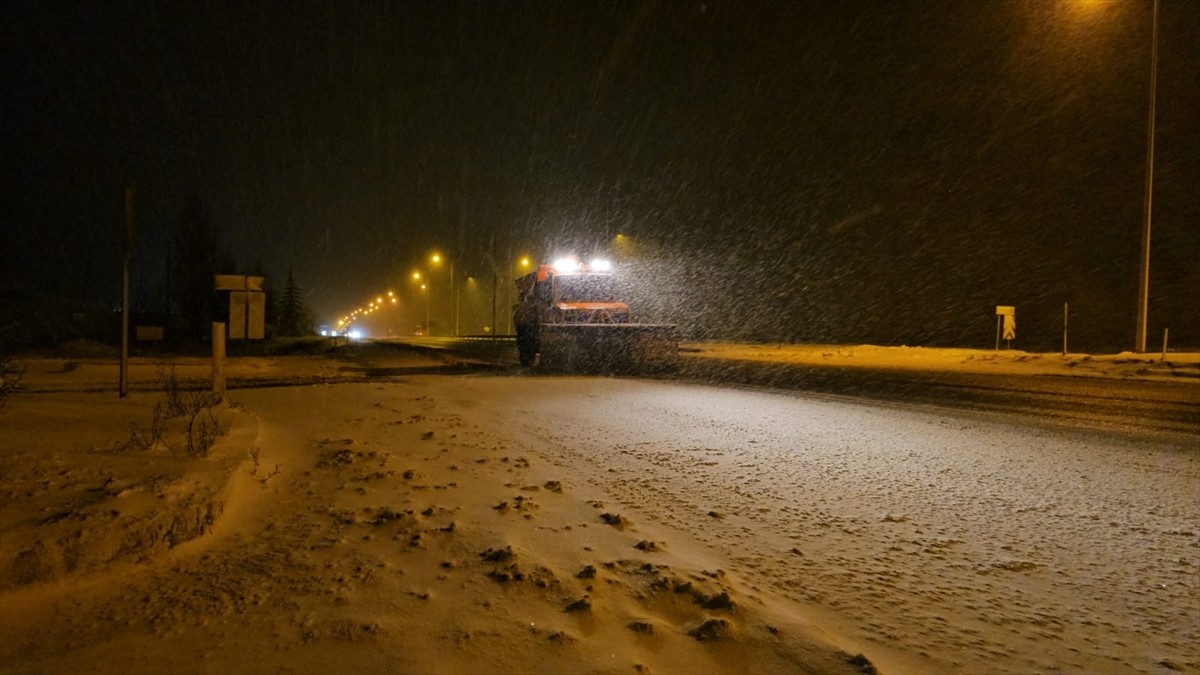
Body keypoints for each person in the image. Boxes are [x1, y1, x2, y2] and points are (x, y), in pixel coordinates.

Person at [513, 294, 540, 367]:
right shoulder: (531, 308)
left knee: (523, 345)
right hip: (529, 327)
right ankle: (529, 360)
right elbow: (535, 318)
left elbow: (516, 318)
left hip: (522, 327)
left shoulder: (518, 307)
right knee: (530, 344)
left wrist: (517, 326)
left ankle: (524, 360)